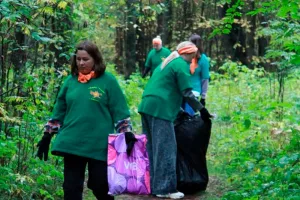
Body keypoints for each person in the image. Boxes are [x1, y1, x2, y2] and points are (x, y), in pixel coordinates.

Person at [36, 41, 132, 200]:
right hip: (73, 142)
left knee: (101, 186)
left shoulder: (108, 81)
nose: (81, 63)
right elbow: (59, 111)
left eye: (85, 59)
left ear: (95, 59)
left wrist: (127, 134)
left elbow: (119, 110)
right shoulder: (70, 81)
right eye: (78, 59)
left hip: (99, 144)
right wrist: (47, 135)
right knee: (71, 189)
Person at [138, 41, 212, 199]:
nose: (194, 58)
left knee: (152, 148)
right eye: (194, 55)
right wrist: (202, 109)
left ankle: (154, 185)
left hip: (147, 106)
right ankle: (165, 189)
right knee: (165, 148)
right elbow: (186, 92)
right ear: (190, 53)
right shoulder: (180, 64)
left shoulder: (167, 62)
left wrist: (181, 111)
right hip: (160, 109)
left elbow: (167, 88)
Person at [182, 33, 210, 115]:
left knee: (188, 115)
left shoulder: (203, 59)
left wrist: (203, 97)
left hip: (194, 92)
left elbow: (205, 78)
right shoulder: (185, 57)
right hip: (183, 90)